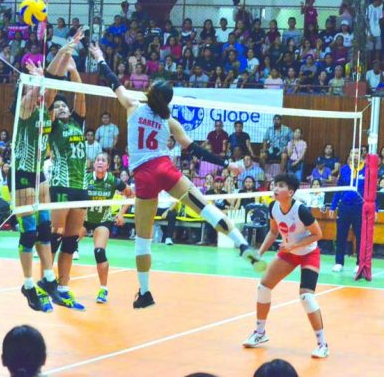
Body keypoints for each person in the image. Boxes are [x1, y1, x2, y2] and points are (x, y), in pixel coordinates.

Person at [90, 43, 265, 309]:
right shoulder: (168, 122)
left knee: (143, 240)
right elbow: (194, 150)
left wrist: (100, 58)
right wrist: (227, 164)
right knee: (204, 208)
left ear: (150, 93)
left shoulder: (133, 106)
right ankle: (242, 245)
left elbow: (112, 80)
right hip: (165, 168)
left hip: (145, 176)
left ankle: (145, 293)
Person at [13, 36, 81, 313]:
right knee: (28, 233)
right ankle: (28, 284)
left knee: (44, 229)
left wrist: (67, 52)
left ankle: (49, 278)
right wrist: (39, 79)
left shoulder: (48, 112)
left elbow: (53, 80)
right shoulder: (25, 108)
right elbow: (44, 84)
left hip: (39, 173)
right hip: (23, 173)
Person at [242, 174, 329, 359]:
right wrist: (260, 253)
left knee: (306, 297)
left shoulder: (301, 210)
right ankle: (259, 333)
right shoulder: (273, 207)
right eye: (275, 184)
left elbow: (318, 234)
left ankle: (322, 344)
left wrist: (293, 245)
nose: (275, 188)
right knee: (263, 287)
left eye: (280, 185)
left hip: (308, 254)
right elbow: (273, 232)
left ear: (290, 192)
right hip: (289, 253)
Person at [37, 33, 88, 310]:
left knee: (71, 240)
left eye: (63, 105)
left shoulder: (77, 124)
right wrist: (62, 58)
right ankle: (46, 280)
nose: (61, 107)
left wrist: (75, 71)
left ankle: (64, 287)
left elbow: (81, 97)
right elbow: (48, 101)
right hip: (61, 185)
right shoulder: (53, 126)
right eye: (58, 106)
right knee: (55, 234)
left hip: (81, 188)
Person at [83, 153, 133, 303]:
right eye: (97, 159)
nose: (100, 162)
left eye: (103, 160)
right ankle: (61, 286)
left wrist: (121, 213)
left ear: (107, 165)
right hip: (84, 220)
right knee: (67, 245)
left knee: (99, 252)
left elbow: (131, 195)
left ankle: (103, 289)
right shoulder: (85, 178)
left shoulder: (112, 180)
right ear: (94, 163)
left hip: (102, 221)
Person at [328, 149, 365, 273]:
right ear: (349, 155)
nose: (355, 155)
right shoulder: (344, 169)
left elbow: (371, 191)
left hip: (359, 207)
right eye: (353, 153)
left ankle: (359, 263)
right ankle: (339, 262)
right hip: (344, 207)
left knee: (360, 236)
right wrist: (333, 206)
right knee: (341, 235)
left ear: (361, 156)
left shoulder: (366, 169)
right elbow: (339, 189)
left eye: (357, 153)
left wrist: (374, 208)